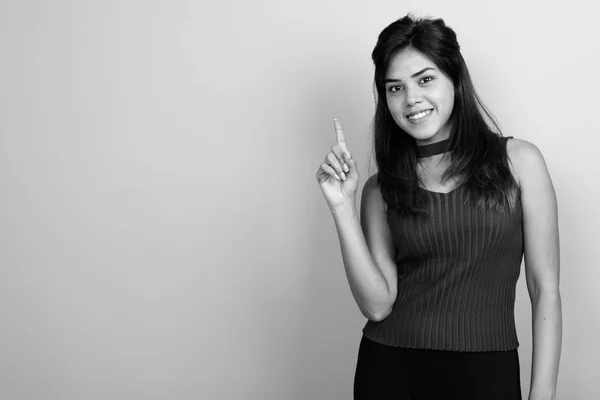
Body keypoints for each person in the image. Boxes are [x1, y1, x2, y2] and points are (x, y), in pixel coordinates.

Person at [315, 14, 562, 400]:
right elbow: (378, 306)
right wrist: (341, 208)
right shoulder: (380, 189)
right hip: (390, 370)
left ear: (455, 79)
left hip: (487, 372)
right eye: (395, 87)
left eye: (425, 79)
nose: (411, 98)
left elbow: (544, 287)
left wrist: (542, 394)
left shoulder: (519, 161)